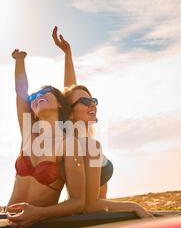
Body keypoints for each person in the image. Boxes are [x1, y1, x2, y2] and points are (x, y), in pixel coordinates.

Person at [52, 27, 152, 218]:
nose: (92, 105)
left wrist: (68, 54)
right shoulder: (75, 143)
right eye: (85, 102)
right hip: (90, 218)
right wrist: (135, 206)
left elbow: (71, 91)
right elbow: (91, 205)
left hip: (100, 215)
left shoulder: (85, 136)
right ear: (70, 113)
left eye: (93, 101)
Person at [6, 49, 86, 228]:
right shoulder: (28, 134)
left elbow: (78, 202)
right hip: (8, 225)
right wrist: (19, 60)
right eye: (34, 97)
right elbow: (21, 92)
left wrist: (38, 213)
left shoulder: (69, 144)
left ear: (59, 102)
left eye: (45, 93)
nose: (37, 97)